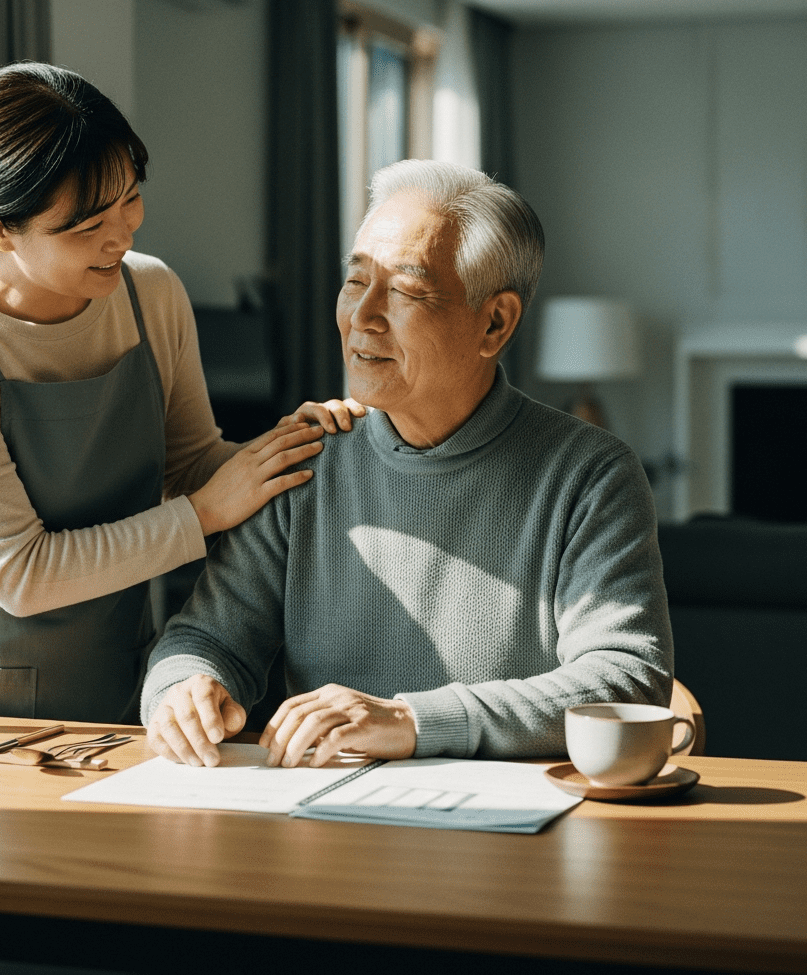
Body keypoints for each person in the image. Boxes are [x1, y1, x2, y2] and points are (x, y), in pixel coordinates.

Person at [142, 159, 674, 768]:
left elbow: (625, 678)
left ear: (494, 322)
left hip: (514, 839)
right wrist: (181, 689)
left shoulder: (591, 475)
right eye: (355, 282)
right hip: (325, 828)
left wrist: (411, 721)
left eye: (404, 291)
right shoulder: (303, 458)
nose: (362, 317)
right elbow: (204, 639)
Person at [0, 61, 361, 725]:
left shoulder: (149, 292)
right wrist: (202, 516)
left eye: (129, 197)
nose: (122, 233)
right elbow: (21, 574)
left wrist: (291, 448)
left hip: (115, 673)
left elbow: (192, 462)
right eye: (85, 226)